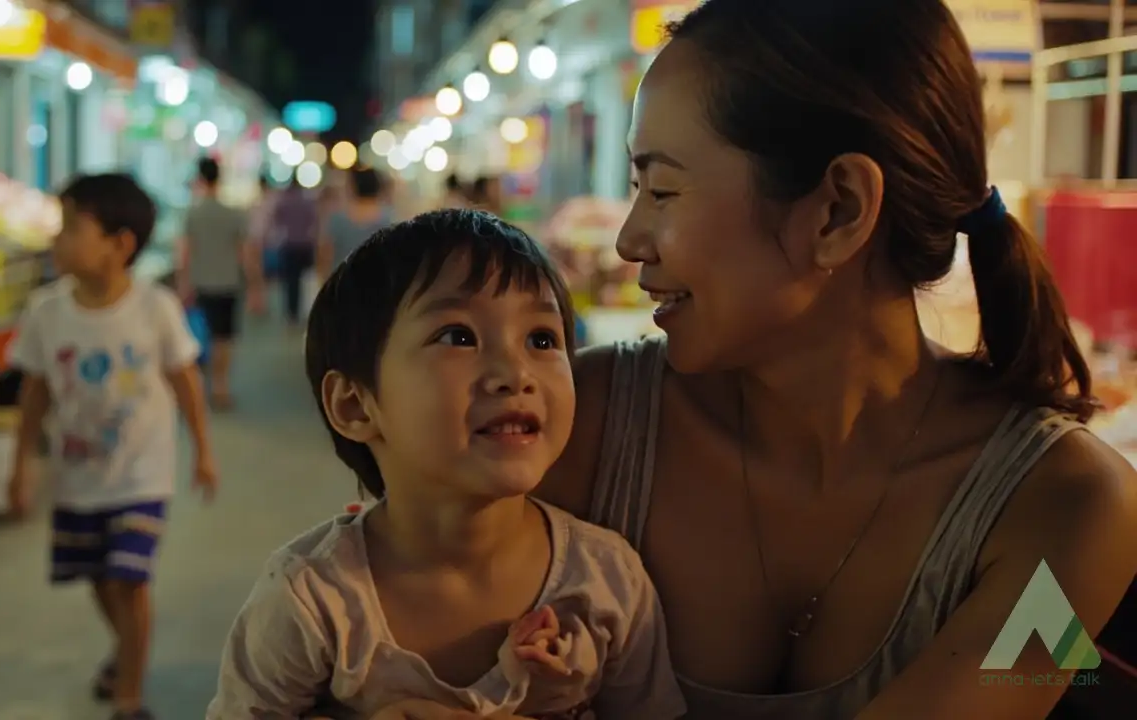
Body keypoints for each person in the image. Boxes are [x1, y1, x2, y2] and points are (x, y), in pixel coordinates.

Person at [362, 1, 1137, 718]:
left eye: (662, 191)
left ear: (837, 209)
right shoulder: (574, 427)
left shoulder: (1075, 511)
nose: (630, 239)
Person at [206, 210, 685, 720]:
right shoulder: (313, 600)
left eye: (542, 339)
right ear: (354, 405)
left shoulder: (606, 582)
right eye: (458, 336)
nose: (514, 373)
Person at [7, 173, 219, 720]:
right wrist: (20, 464)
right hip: (78, 478)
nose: (57, 240)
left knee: (129, 578)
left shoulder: (154, 307)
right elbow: (34, 393)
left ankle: (129, 698)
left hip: (142, 475)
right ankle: (126, 650)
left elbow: (185, 378)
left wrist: (203, 450)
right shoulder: (46, 312)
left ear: (120, 244)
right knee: (100, 580)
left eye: (71, 228)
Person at [178, 157, 260, 409]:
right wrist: (255, 284)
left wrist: (183, 283)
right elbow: (244, 252)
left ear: (200, 179)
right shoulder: (234, 213)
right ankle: (221, 386)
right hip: (229, 283)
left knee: (205, 336)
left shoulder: (193, 214)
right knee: (224, 338)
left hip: (201, 282)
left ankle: (206, 385)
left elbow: (185, 252)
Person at [315, 166, 393, 280]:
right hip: (378, 283)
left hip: (342, 282)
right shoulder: (389, 220)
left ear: (353, 187)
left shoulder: (338, 219)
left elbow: (324, 254)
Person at [273, 179, 321, 329]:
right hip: (306, 245)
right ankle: (308, 311)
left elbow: (277, 220)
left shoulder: (284, 202)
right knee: (307, 281)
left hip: (290, 245)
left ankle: (292, 315)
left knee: (291, 282)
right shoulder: (308, 202)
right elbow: (315, 221)